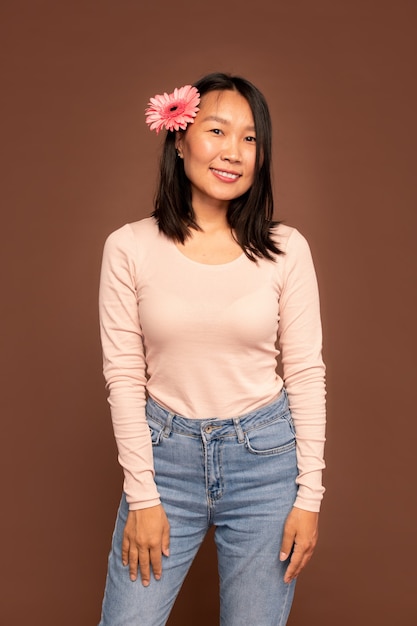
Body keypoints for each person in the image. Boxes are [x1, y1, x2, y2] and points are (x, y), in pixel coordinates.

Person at [98, 72, 326, 626]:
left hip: (265, 464)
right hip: (164, 461)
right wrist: (144, 496)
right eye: (217, 131)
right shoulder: (129, 247)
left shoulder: (286, 250)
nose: (233, 152)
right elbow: (125, 377)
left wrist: (310, 494)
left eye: (250, 138)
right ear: (179, 140)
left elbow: (305, 372)